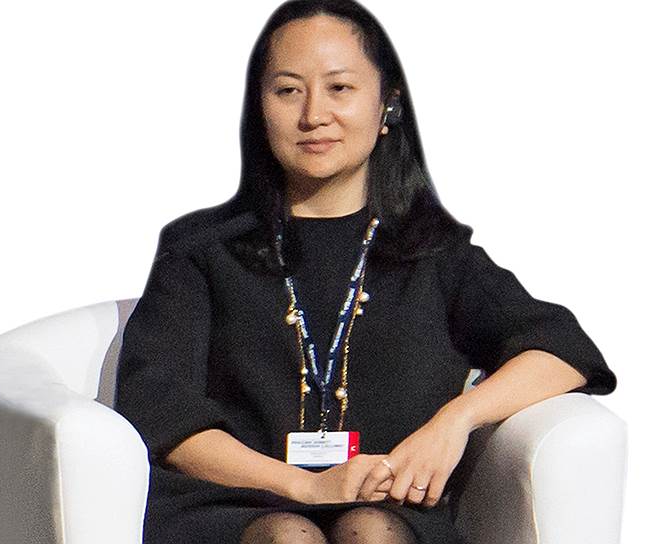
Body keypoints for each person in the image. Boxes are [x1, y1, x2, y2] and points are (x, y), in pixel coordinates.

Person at [115, 1, 618, 543]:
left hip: (388, 507)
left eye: (339, 88)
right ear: (260, 108)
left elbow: (563, 351)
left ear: (387, 105)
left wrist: (454, 422)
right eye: (288, 90)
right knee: (288, 537)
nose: (313, 114)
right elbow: (160, 410)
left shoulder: (434, 253)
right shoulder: (201, 251)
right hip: (231, 503)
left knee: (370, 530)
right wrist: (306, 487)